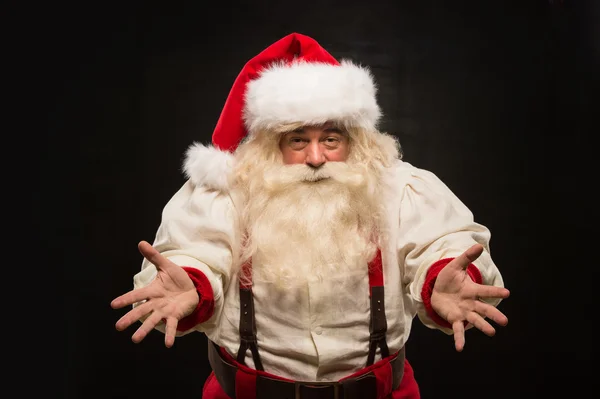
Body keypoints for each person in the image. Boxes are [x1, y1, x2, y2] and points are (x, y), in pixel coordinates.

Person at [111, 32, 510, 399]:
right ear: (272, 143)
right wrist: (191, 283)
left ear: (353, 139)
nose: (316, 158)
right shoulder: (226, 194)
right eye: (298, 140)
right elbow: (196, 249)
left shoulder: (401, 188)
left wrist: (444, 279)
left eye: (330, 140)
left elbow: (440, 242)